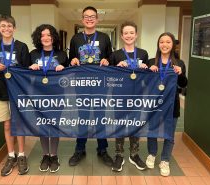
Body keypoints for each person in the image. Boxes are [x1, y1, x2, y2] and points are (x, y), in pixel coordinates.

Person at [68, 6, 113, 167]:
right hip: (82, 83)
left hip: (100, 83)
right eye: (86, 16)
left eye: (92, 16)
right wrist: (72, 61)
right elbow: (70, 60)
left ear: (97, 19)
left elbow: (111, 58)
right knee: (83, 117)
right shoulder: (75, 38)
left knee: (101, 116)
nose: (89, 19)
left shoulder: (104, 37)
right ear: (82, 19)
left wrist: (107, 61)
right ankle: (80, 149)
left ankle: (102, 149)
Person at [0, 15, 31, 176]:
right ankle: (11, 155)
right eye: (3, 26)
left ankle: (21, 155)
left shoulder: (22, 47)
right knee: (7, 125)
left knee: (18, 124)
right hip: (0, 91)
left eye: (9, 26)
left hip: (18, 91)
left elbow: (27, 70)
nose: (6, 29)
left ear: (14, 28)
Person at [146, 32, 187, 176]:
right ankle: (152, 154)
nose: (164, 45)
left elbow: (183, 84)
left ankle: (165, 160)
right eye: (162, 42)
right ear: (158, 44)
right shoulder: (152, 62)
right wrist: (148, 73)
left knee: (169, 134)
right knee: (152, 131)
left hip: (172, 105)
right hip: (154, 104)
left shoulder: (179, 63)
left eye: (168, 42)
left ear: (173, 45)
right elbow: (144, 84)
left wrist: (181, 74)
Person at [109, 21, 149, 172]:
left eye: (131, 32)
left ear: (136, 35)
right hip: (119, 96)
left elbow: (147, 80)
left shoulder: (143, 54)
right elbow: (110, 79)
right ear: (121, 36)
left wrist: (146, 69)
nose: (129, 35)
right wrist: (117, 69)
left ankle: (134, 154)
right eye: (126, 33)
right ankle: (119, 155)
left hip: (137, 95)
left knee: (135, 126)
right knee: (119, 125)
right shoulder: (115, 55)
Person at [29, 24, 68, 173]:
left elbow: (69, 75)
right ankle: (45, 155)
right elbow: (24, 74)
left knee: (54, 125)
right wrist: (30, 67)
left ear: (53, 37)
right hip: (38, 94)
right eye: (42, 35)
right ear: (39, 38)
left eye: (48, 35)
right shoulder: (33, 54)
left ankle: (54, 155)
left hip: (57, 95)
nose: (45, 38)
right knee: (42, 125)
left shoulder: (62, 55)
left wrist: (63, 69)